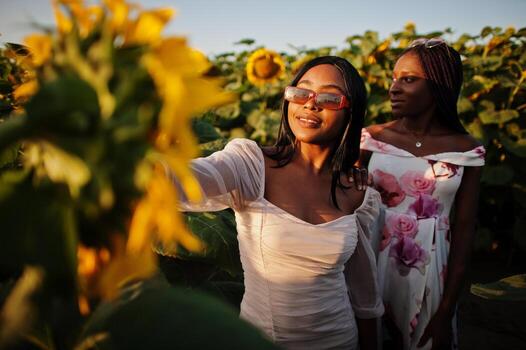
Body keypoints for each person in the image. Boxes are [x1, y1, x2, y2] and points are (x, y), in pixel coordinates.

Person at [170, 56, 384, 349]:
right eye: (301, 92)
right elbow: (179, 181)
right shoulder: (250, 165)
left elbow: (364, 291)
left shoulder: (359, 193)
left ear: (351, 111)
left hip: (341, 339)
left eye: (330, 97)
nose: (310, 103)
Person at [359, 38, 485, 350]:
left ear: (440, 86)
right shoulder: (370, 139)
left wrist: (446, 309)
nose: (394, 88)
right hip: (372, 257)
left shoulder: (467, 148)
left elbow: (465, 229)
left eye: (409, 79)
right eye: (394, 78)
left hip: (431, 266)